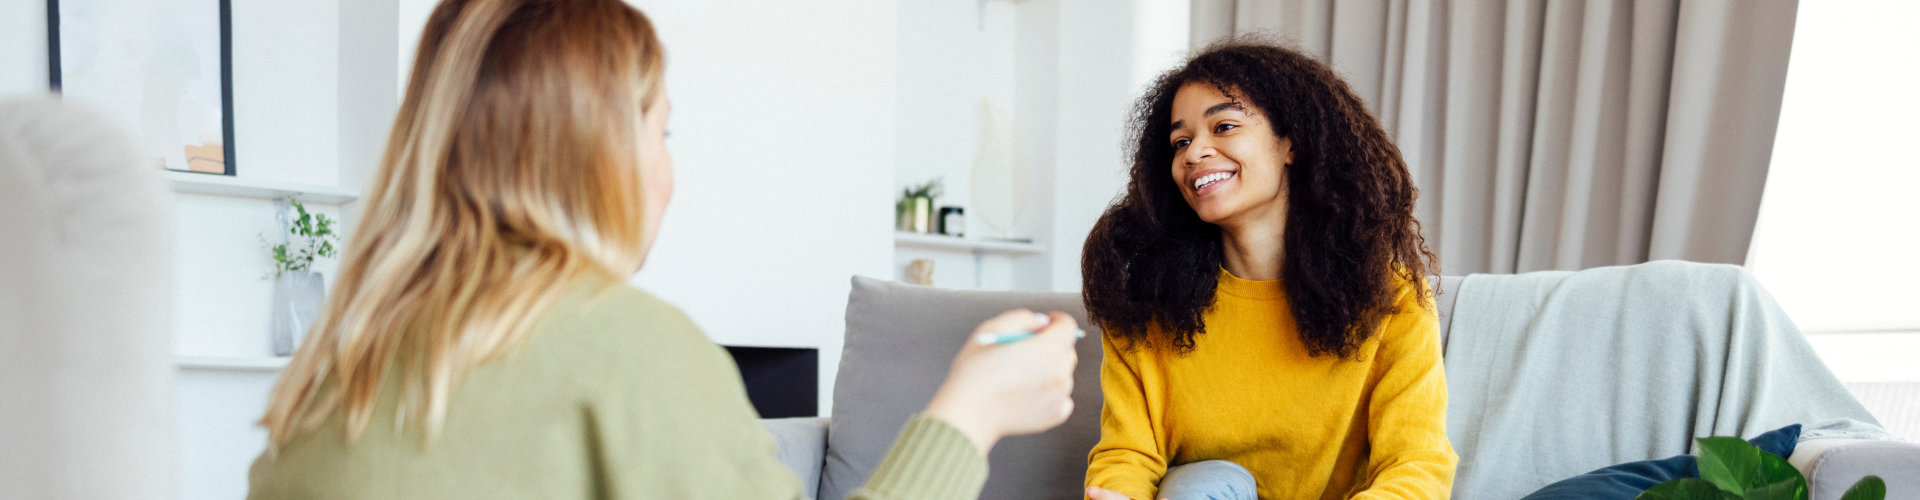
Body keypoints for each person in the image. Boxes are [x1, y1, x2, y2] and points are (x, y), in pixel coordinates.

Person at [244, 1, 1080, 498]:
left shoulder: (333, 372)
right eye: (661, 130)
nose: (668, 168)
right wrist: (969, 414)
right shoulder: (625, 346)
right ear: (597, 153)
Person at [1080, 39, 1457, 500]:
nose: (1194, 153)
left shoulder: (1389, 295)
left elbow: (1416, 463)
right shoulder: (1143, 296)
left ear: (1290, 144)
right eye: (1181, 141)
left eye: (1224, 126)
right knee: (1204, 484)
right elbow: (1128, 455)